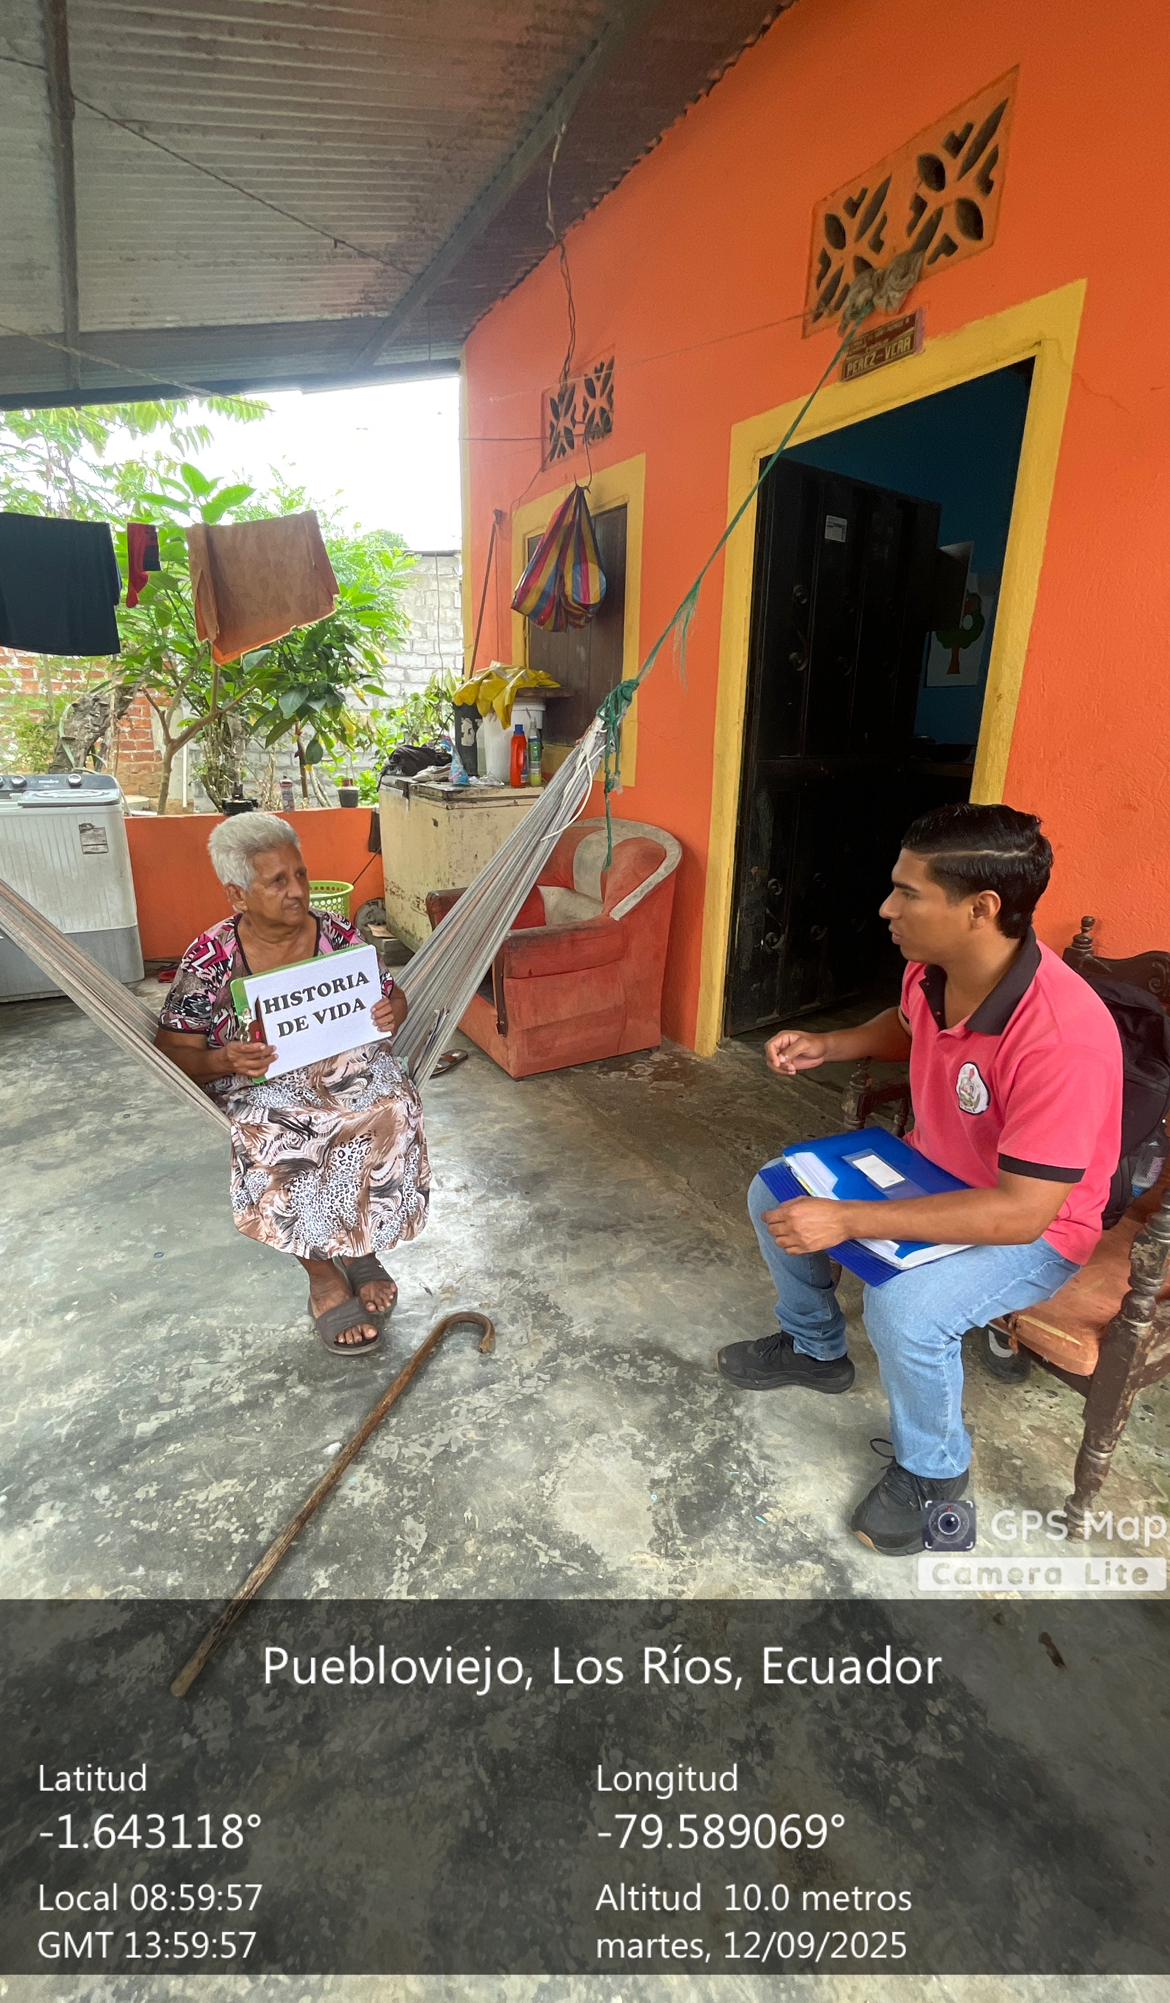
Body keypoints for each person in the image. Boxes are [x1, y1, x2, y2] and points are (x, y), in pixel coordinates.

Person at [718, 804, 1123, 1556]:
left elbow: (1020, 1215)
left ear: (981, 909)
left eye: (908, 893)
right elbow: (907, 1026)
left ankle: (935, 1471)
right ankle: (815, 1348)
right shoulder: (933, 968)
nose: (887, 908)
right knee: (775, 1189)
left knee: (905, 1307)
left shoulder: (1062, 1037)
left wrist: (848, 1221)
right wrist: (830, 1043)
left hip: (1036, 1228)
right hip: (927, 1172)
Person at [155, 811, 429, 1358]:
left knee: (393, 1105)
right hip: (259, 1082)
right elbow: (172, 1050)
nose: (298, 891)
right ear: (237, 895)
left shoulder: (337, 934)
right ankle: (323, 1274)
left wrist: (390, 1011)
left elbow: (392, 996)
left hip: (344, 1063)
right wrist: (223, 1058)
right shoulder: (211, 958)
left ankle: (359, 1247)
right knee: (287, 1133)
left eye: (300, 874)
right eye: (277, 881)